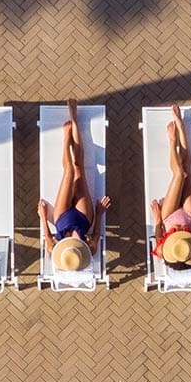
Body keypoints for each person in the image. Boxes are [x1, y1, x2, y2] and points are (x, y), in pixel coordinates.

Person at [38, 99, 111, 275]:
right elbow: (96, 235)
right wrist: (100, 213)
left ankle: (66, 139)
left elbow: (47, 237)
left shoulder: (53, 251)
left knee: (69, 171)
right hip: (84, 217)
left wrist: (42, 216)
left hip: (61, 218)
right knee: (79, 169)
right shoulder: (89, 251)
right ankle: (75, 121)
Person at [150, 104, 191, 271]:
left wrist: (158, 219)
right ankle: (181, 128)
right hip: (190, 217)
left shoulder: (163, 251)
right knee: (187, 170)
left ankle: (172, 141)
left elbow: (159, 235)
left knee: (179, 175)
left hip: (168, 215)